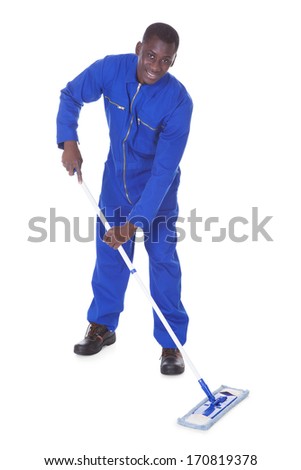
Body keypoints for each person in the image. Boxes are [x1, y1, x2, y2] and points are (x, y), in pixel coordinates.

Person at [56, 22, 193, 375]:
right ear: (138, 48)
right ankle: (102, 325)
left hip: (158, 195)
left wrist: (134, 224)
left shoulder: (179, 102)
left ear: (173, 62)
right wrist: (68, 140)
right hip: (116, 183)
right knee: (110, 256)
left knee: (162, 262)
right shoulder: (110, 69)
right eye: (150, 55)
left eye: (165, 61)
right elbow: (71, 94)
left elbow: (164, 171)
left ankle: (171, 345)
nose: (155, 66)